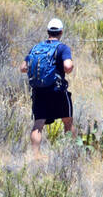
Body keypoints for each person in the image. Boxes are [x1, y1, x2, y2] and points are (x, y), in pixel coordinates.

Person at [20, 18, 73, 151]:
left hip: (39, 91)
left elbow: (23, 68)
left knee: (38, 124)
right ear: (61, 32)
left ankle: (35, 156)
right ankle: (70, 152)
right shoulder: (62, 48)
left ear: (47, 32)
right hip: (57, 91)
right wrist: (70, 68)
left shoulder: (36, 48)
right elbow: (68, 66)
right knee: (67, 121)